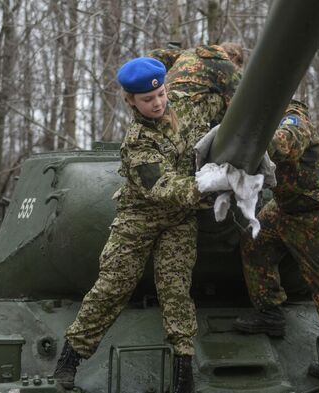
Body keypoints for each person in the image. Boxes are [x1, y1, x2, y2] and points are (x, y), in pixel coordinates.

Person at [52, 58, 223, 393]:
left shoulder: (190, 110)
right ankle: (68, 362)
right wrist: (210, 189)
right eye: (147, 99)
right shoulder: (137, 141)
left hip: (179, 220)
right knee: (111, 288)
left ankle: (183, 374)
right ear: (130, 101)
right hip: (139, 218)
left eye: (160, 94)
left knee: (176, 291)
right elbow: (163, 187)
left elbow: (227, 101)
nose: (157, 103)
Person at [233, 100, 319, 369]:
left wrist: (247, 142)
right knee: (254, 238)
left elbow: (284, 144)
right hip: (286, 206)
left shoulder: (292, 116)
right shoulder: (251, 117)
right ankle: (270, 312)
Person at [148, 42, 242, 127]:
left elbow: (155, 54)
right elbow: (236, 107)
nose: (238, 68)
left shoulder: (189, 53)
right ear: (235, 57)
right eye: (239, 64)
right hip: (186, 114)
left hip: (165, 101)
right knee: (221, 98)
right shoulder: (229, 67)